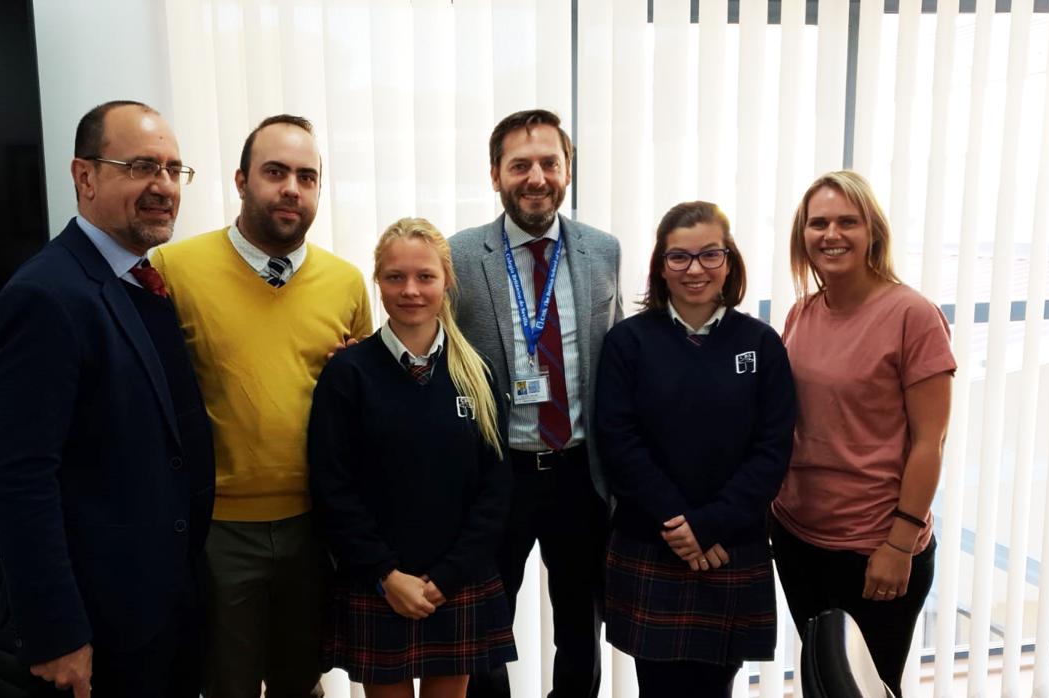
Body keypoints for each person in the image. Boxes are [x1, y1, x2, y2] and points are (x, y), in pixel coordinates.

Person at [0, 100, 214, 698]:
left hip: (161, 611)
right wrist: (56, 631)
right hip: (92, 629)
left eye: (173, 169)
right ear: (85, 176)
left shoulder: (143, 283)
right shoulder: (46, 296)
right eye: (141, 166)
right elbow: (19, 478)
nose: (163, 186)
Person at [151, 114, 373, 697]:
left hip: (313, 528)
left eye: (307, 176)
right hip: (217, 530)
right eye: (275, 172)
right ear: (241, 180)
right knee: (227, 684)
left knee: (304, 683)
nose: (291, 189)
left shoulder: (347, 283)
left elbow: (361, 411)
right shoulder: (173, 271)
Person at [449, 109, 622, 698]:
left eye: (550, 162)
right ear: (495, 174)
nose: (536, 177)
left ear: (567, 168)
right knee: (484, 624)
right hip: (499, 472)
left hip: (580, 473)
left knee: (581, 626)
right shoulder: (459, 256)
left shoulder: (604, 251)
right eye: (520, 164)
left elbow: (616, 355)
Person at [308, 217, 517, 698]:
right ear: (377, 282)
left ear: (446, 282)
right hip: (380, 583)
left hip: (456, 581)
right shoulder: (348, 374)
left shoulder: (476, 372)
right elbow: (332, 487)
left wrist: (447, 576)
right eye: (395, 277)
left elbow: (496, 488)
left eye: (425, 276)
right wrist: (386, 576)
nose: (411, 290)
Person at [594, 201, 795, 697]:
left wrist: (707, 526)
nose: (695, 269)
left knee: (716, 686)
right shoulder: (629, 342)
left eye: (710, 254)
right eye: (679, 257)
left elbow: (772, 449)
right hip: (652, 541)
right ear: (661, 267)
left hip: (730, 545)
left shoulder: (761, 343)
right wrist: (680, 525)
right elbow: (619, 442)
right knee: (658, 687)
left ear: (730, 261)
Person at [770, 170, 954, 697]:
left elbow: (929, 442)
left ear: (872, 230)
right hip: (799, 538)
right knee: (820, 681)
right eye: (818, 222)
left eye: (847, 221)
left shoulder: (912, 316)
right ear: (802, 236)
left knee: (868, 688)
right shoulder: (802, 312)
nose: (831, 234)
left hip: (876, 547)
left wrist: (899, 543)